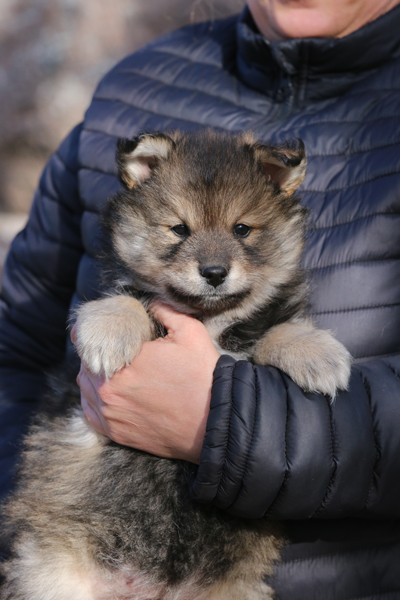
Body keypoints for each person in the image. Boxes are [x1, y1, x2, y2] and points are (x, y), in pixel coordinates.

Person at [1, 0, 400, 597]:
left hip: (240, 574)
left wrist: (224, 420)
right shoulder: (127, 88)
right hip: (77, 556)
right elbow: (15, 348)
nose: (213, 260)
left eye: (242, 230)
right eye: (180, 230)